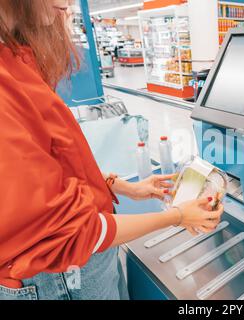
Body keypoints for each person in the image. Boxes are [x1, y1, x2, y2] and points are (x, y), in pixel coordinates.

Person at [0, 0, 224, 300]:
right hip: (61, 278)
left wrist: (122, 187)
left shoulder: (16, 62)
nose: (67, 4)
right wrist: (177, 217)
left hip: (80, 268)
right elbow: (68, 233)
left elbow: (49, 172)